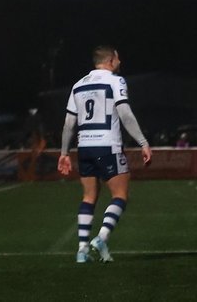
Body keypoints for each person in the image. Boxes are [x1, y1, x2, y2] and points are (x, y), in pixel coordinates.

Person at [58, 46, 152, 264]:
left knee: (89, 197)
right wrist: (143, 142)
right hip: (107, 145)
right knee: (120, 195)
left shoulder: (78, 85)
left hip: (84, 147)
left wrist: (64, 152)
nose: (120, 61)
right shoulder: (115, 81)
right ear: (110, 60)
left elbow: (69, 123)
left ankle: (82, 250)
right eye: (118, 57)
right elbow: (125, 113)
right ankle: (102, 237)